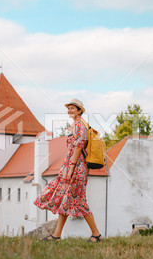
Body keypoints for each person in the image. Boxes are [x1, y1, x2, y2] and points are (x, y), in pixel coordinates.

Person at [33, 99, 103, 242]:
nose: (69, 110)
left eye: (72, 108)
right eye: (69, 108)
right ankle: (57, 235)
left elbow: (78, 146)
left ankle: (96, 234)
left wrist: (71, 167)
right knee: (66, 200)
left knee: (80, 202)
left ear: (80, 111)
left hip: (76, 167)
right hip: (73, 165)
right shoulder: (78, 124)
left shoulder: (79, 125)